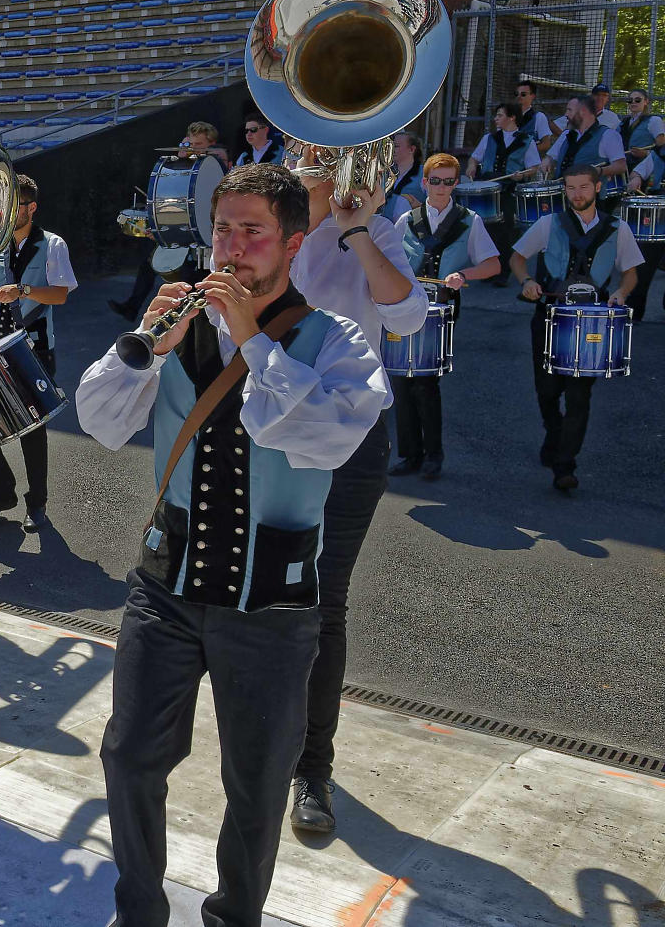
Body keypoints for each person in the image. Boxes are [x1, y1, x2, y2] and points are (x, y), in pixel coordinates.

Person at [76, 162, 387, 927]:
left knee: (256, 784)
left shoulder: (334, 339)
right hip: (167, 586)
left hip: (273, 606)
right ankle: (139, 911)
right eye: (223, 230)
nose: (233, 248)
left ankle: (234, 918)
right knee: (129, 757)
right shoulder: (175, 321)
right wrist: (141, 348)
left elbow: (324, 438)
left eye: (252, 232)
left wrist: (252, 341)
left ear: (291, 241)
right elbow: (99, 421)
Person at [283, 137, 426, 837]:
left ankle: (313, 766)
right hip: (270, 425)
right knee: (259, 591)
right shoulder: (266, 219)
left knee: (322, 600)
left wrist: (359, 229)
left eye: (326, 141)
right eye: (306, 139)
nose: (317, 149)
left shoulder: (379, 226)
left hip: (353, 435)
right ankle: (268, 738)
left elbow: (406, 316)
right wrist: (303, 212)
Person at [509, 165, 642, 493]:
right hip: (548, 316)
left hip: (593, 321)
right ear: (564, 190)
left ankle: (564, 466)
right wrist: (526, 281)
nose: (577, 194)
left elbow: (631, 273)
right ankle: (554, 436)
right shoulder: (547, 224)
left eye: (583, 187)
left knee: (580, 396)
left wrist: (621, 293)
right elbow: (516, 258)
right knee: (547, 390)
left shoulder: (617, 228)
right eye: (570, 188)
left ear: (597, 187)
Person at [0, 174, 76, 534]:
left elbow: (60, 295)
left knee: (32, 429)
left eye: (15, 206)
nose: (8, 212)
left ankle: (37, 503)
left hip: (34, 348)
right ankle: (1, 493)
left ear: (31, 208)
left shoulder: (52, 244)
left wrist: (24, 289)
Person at [387, 153, 501, 478]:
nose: (440, 187)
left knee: (425, 383)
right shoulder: (405, 220)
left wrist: (464, 275)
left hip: (442, 311)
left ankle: (433, 455)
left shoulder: (470, 220)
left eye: (448, 181)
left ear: (456, 183)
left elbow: (493, 264)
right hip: (406, 306)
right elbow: (391, 262)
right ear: (424, 183)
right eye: (435, 181)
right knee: (401, 380)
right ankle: (409, 455)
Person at [109, 122, 222, 320]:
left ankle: (189, 323)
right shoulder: (187, 164)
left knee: (191, 278)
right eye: (191, 142)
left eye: (199, 143)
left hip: (205, 233)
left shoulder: (216, 162)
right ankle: (132, 307)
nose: (194, 147)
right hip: (184, 226)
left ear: (210, 143)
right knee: (149, 264)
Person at [465, 101, 546, 278]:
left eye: (500, 115)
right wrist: (471, 167)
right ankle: (487, 270)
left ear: (512, 117)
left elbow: (534, 167)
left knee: (507, 231)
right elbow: (474, 159)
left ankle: (503, 272)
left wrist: (522, 175)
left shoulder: (527, 141)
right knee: (486, 230)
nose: (496, 119)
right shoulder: (489, 138)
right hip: (488, 188)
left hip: (509, 189)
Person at [544, 94, 627, 191]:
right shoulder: (566, 134)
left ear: (583, 111)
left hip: (591, 198)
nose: (566, 114)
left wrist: (599, 171)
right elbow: (550, 157)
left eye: (570, 110)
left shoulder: (608, 135)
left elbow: (621, 166)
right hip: (562, 195)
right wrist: (547, 161)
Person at [624, 149, 665, 320]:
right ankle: (634, 312)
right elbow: (638, 171)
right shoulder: (659, 154)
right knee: (643, 267)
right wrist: (636, 178)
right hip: (657, 217)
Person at [381, 131, 423, 219]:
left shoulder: (425, 173)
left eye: (396, 146)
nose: (391, 150)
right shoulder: (384, 173)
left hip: (410, 229)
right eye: (391, 146)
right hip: (383, 228)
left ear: (411, 149)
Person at [621, 88, 664, 167]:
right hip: (623, 168)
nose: (633, 102)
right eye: (630, 100)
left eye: (637, 100)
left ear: (646, 101)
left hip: (644, 168)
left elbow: (662, 149)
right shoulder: (623, 123)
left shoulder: (654, 120)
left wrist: (646, 153)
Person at [515, 80, 554, 152]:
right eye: (516, 94)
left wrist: (524, 151)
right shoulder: (508, 117)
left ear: (532, 96)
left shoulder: (539, 117)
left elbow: (546, 145)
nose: (519, 97)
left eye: (523, 94)